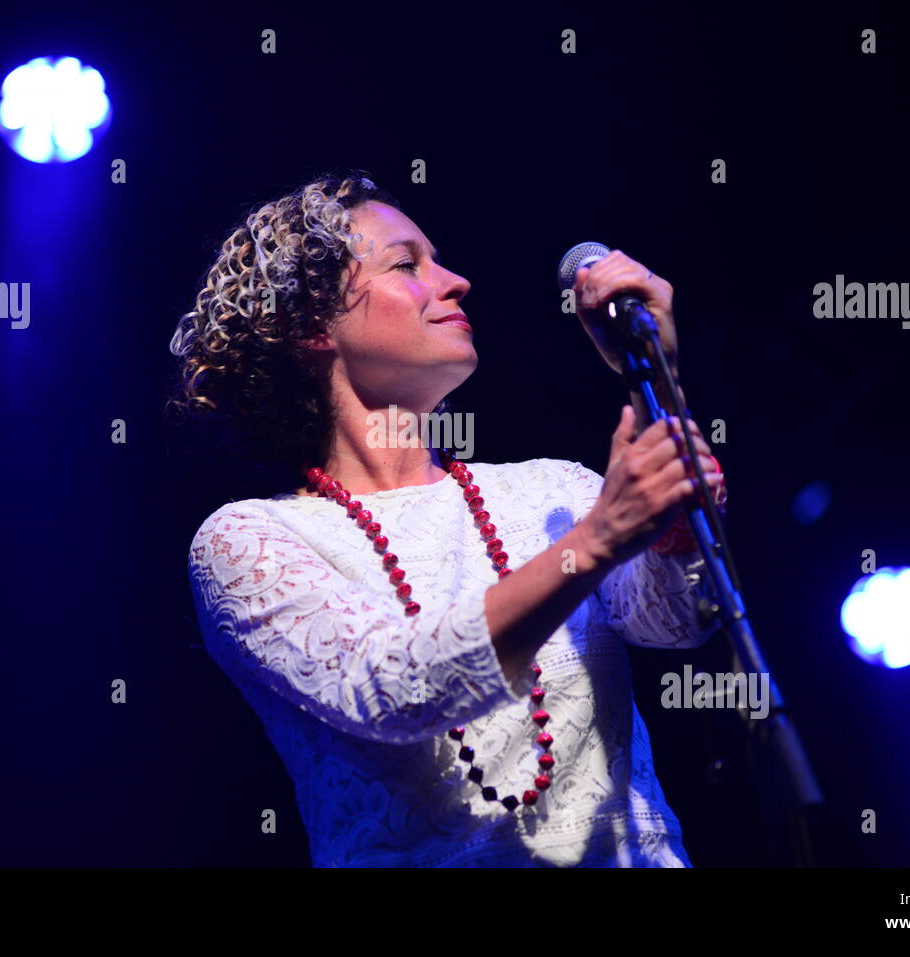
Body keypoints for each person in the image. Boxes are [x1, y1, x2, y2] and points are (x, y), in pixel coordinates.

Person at [168, 170, 727, 867]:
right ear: (311, 324)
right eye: (407, 264)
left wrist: (658, 385)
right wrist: (598, 539)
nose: (457, 281)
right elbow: (397, 689)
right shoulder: (248, 541)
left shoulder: (553, 491)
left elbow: (674, 620)